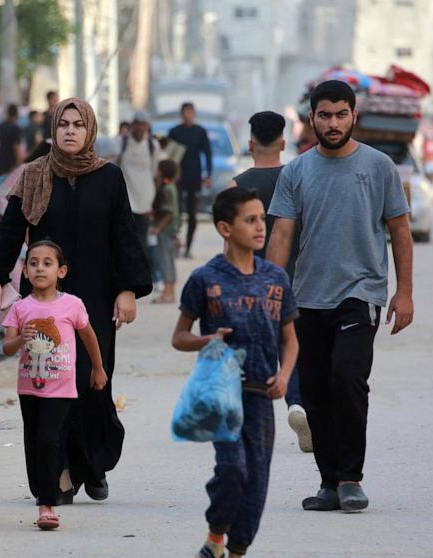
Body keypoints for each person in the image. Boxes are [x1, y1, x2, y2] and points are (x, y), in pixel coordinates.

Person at [0, 97, 152, 504]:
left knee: (92, 381)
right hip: (41, 301)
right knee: (47, 389)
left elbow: (124, 235)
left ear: (89, 130)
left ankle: (90, 465)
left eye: (78, 124)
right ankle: (57, 473)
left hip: (94, 296)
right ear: (53, 131)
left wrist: (128, 289)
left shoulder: (109, 177)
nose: (70, 131)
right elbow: (10, 230)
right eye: (63, 125)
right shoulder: (35, 175)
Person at [267, 80, 414, 513]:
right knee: (314, 390)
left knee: (347, 379)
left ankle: (351, 478)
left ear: (354, 116)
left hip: (361, 292)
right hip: (307, 296)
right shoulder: (296, 171)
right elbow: (281, 235)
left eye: (341, 114)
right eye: (325, 115)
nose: (333, 123)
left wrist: (404, 292)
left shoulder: (379, 166)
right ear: (311, 119)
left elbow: (400, 231)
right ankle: (329, 482)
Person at [172, 187, 299, 558]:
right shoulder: (205, 278)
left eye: (262, 218)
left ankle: (237, 550)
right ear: (225, 228)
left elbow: (291, 340)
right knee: (232, 470)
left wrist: (286, 376)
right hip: (222, 394)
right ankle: (215, 533)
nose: (261, 227)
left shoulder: (276, 278)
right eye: (250, 220)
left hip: (262, 393)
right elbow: (179, 337)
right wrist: (207, 339)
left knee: (257, 483)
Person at [2, 240, 108, 530]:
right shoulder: (20, 308)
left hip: (62, 389)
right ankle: (42, 489)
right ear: (24, 271)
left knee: (49, 439)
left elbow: (89, 336)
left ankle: (46, 506)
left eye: (47, 263)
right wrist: (20, 338)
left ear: (61, 271)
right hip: (29, 389)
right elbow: (7, 348)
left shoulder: (72, 305)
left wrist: (98, 369)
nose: (39, 268)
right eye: (33, 263)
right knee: (36, 443)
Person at [230, 110, 311, 453]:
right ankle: (297, 404)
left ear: (250, 144)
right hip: (299, 279)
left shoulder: (237, 186)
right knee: (291, 346)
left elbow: (230, 242)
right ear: (283, 141)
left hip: (251, 280)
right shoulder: (299, 177)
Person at [168, 102, 213, 259]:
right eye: (185, 112)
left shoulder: (200, 132)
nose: (188, 115)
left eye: (191, 112)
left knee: (192, 213)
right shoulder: (175, 131)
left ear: (194, 114)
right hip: (177, 177)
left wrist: (208, 175)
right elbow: (169, 155)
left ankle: (188, 246)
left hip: (194, 176)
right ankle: (175, 243)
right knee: (176, 212)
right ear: (182, 114)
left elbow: (207, 153)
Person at [118, 111, 160, 251]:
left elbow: (154, 173)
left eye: (144, 125)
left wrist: (153, 200)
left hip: (145, 200)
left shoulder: (152, 145)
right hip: (126, 199)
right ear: (132, 126)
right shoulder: (121, 142)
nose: (141, 129)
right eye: (138, 125)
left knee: (142, 241)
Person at [151, 159, 180, 304]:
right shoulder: (169, 187)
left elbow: (168, 213)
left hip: (166, 231)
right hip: (170, 231)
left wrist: (158, 228)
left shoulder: (167, 189)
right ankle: (169, 292)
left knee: (165, 261)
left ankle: (168, 293)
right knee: (168, 260)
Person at [0, 104, 23, 176]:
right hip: (11, 160)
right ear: (16, 113)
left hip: (1, 157)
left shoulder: (1, 126)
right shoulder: (16, 128)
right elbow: (16, 146)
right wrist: (18, 161)